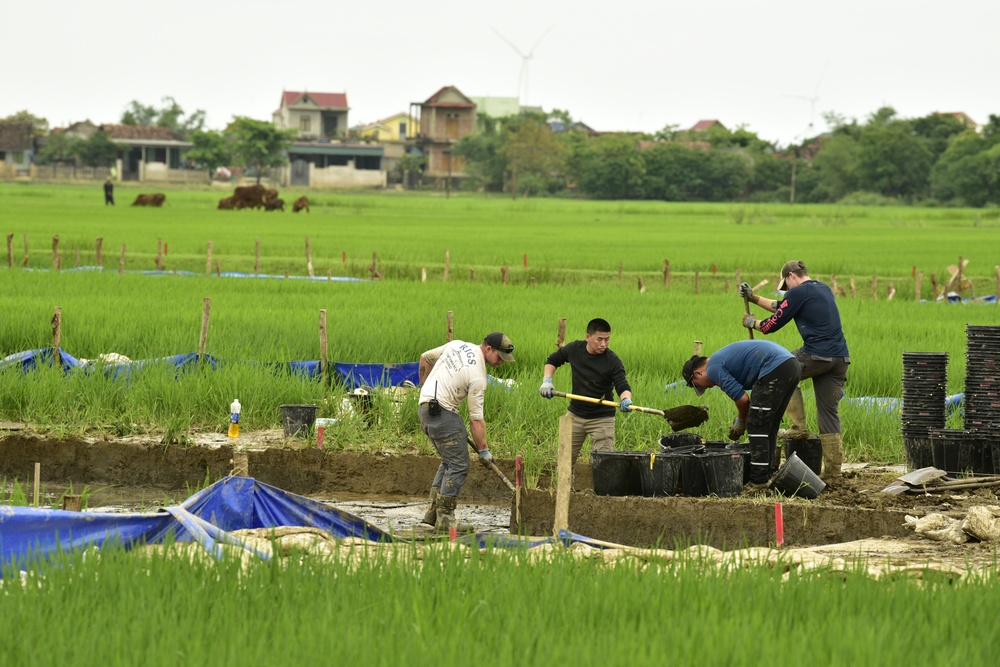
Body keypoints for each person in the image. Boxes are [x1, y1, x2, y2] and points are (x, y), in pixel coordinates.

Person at [739, 260, 850, 479]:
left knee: (781, 366)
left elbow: (771, 325)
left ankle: (798, 427)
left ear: (791, 276)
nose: (787, 290)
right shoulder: (822, 288)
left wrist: (753, 323)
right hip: (839, 359)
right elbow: (781, 307)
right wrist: (754, 298)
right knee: (828, 413)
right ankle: (833, 472)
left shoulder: (797, 293)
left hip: (816, 355)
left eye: (786, 285)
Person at [417, 332, 515, 531]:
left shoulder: (457, 345)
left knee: (449, 461)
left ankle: (432, 513)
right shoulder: (478, 376)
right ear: (489, 349)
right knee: (459, 464)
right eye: (499, 357)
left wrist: (423, 387)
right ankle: (446, 520)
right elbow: (476, 419)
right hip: (442, 413)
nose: (501, 363)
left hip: (425, 408)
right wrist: (484, 450)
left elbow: (425, 358)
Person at [682, 340, 801, 485]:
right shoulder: (719, 359)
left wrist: (741, 422)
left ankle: (759, 481)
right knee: (769, 424)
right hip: (790, 365)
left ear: (698, 373)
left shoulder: (713, 368)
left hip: (774, 367)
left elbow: (743, 400)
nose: (705, 388)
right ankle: (768, 473)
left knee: (756, 424)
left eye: (699, 385)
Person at [539, 318, 633, 465]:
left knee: (604, 465)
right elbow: (553, 360)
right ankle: (566, 488)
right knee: (564, 461)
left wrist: (625, 399)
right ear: (588, 337)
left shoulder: (612, 360)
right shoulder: (575, 349)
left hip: (602, 418)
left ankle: (601, 488)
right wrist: (547, 381)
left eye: (607, 340)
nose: (603, 344)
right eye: (599, 339)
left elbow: (622, 385)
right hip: (575, 414)